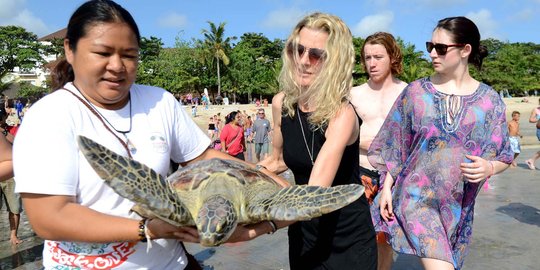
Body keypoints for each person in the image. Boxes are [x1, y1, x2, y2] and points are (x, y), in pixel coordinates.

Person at [13, 1, 286, 269]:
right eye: (103, 53)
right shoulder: (49, 116)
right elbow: (48, 218)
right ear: (69, 49)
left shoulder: (160, 102)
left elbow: (202, 157)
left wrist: (265, 178)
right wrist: (147, 229)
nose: (117, 65)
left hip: (170, 262)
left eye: (129, 55)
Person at [368, 16, 513, 270]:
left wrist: (489, 168)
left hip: (458, 206)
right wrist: (387, 189)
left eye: (441, 48)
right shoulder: (415, 93)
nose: (433, 53)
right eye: (430, 46)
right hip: (415, 198)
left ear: (465, 50)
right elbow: (396, 145)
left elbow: (504, 155)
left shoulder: (490, 102)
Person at [259, 12, 377, 269]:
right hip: (303, 234)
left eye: (316, 55)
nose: (303, 60)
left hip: (347, 238)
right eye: (297, 50)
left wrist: (260, 225)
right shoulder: (281, 103)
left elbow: (314, 193)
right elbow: (276, 161)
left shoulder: (342, 114)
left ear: (335, 61)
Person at [350, 31, 408, 270]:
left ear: (392, 57)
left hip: (394, 176)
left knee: (385, 239)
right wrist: (363, 141)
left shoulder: (407, 93)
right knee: (356, 235)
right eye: (367, 57)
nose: (371, 63)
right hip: (361, 171)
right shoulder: (354, 94)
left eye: (378, 57)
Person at [525, 98, 540, 170]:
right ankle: (531, 160)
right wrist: (538, 119)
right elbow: (531, 120)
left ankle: (531, 160)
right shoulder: (536, 110)